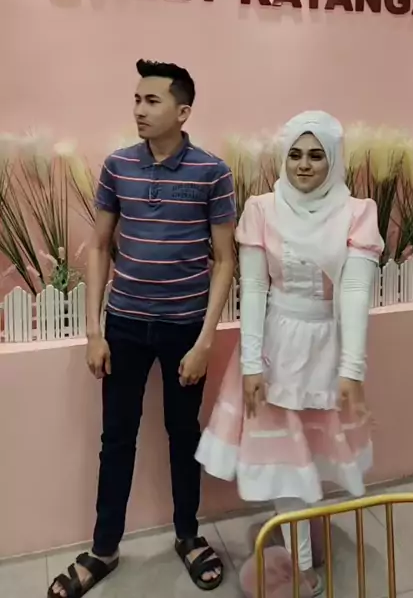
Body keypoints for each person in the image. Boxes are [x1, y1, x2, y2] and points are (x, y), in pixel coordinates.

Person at [48, 60, 236, 597]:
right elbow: (99, 246)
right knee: (116, 438)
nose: (139, 109)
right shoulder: (118, 166)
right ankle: (104, 548)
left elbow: (225, 260)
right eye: (136, 99)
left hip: (184, 329)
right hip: (125, 325)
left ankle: (188, 536)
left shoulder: (212, 172)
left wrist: (205, 341)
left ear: (183, 111)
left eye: (152, 100)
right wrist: (94, 331)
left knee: (183, 435)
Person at [196, 111, 384, 596]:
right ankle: (300, 568)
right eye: (295, 154)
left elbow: (354, 293)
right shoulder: (262, 209)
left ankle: (301, 557)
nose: (304, 164)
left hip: (325, 349)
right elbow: (255, 289)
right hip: (274, 351)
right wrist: (252, 365)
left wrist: (351, 369)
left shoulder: (357, 212)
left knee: (310, 462)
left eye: (316, 155)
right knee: (283, 467)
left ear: (333, 159)